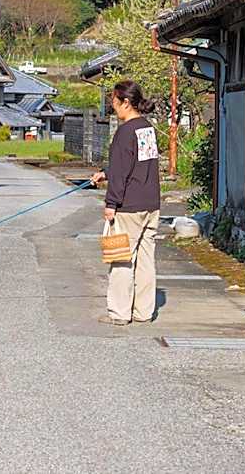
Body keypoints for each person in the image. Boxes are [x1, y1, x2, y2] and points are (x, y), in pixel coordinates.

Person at [90, 80, 161, 326]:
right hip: (150, 204)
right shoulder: (147, 129)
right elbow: (136, 165)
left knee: (121, 259)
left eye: (114, 100)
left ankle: (119, 313)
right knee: (145, 260)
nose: (112, 105)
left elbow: (122, 171)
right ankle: (144, 312)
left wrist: (111, 203)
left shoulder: (125, 132)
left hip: (128, 206)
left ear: (126, 102)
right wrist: (105, 173)